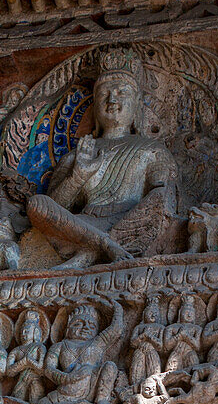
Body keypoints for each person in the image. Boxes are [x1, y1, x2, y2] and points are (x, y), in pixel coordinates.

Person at [27, 47, 177, 268]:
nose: (112, 98)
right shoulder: (79, 154)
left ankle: (92, 251)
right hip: (83, 226)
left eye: (122, 92)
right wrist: (78, 176)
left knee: (160, 199)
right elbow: (54, 206)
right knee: (37, 204)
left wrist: (136, 219)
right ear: (94, 106)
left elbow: (164, 198)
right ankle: (103, 246)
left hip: (131, 222)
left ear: (137, 105)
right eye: (103, 93)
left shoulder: (151, 149)